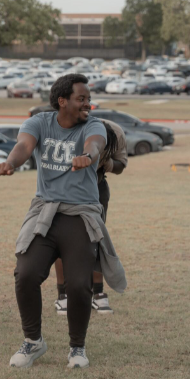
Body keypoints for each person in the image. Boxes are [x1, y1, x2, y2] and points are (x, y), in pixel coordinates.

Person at [0, 73, 126, 370]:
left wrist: (88, 157)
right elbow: (24, 147)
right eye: (81, 99)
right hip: (46, 211)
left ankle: (77, 347)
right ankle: (33, 341)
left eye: (89, 99)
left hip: (80, 213)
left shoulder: (92, 125)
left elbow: (95, 144)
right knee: (25, 273)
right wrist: (10, 163)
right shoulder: (39, 122)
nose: (87, 105)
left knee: (79, 285)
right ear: (62, 101)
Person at [53, 118, 127, 315]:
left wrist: (105, 162)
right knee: (62, 241)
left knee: (96, 240)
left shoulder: (116, 132)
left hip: (97, 187)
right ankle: (63, 295)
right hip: (67, 188)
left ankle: (98, 294)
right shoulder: (72, 130)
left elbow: (121, 165)